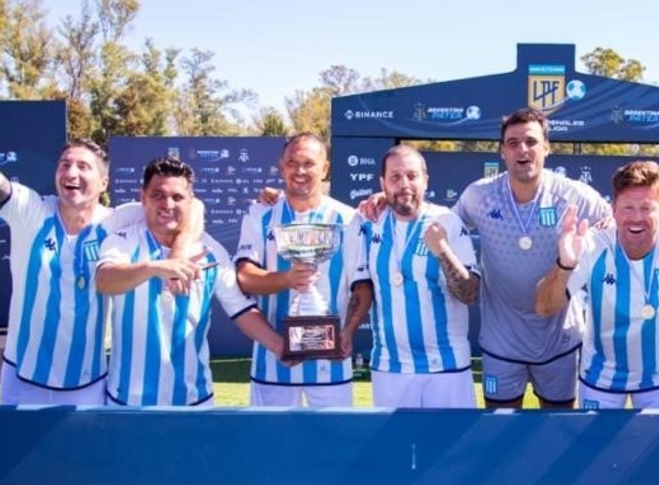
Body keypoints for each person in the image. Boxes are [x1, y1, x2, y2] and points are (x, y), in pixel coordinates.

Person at [0, 80, 201, 405]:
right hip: (22, 379)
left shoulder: (118, 220)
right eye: (65, 164)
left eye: (84, 166)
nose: (72, 172)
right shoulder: (31, 211)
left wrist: (177, 257)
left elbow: (192, 206)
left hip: (89, 386)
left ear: (104, 182)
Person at [359, 108, 613, 408]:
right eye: (513, 142)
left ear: (546, 147)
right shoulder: (479, 195)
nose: (523, 150)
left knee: (558, 432)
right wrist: (386, 198)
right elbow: (439, 222)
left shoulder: (574, 194)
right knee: (496, 437)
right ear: (502, 151)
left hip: (559, 338)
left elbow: (615, 218)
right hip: (500, 341)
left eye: (531, 142)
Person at [95, 156, 284, 406]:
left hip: (194, 401)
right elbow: (105, 280)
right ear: (143, 197)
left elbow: (241, 309)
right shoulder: (123, 241)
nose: (168, 204)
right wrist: (155, 267)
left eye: (177, 197)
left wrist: (282, 347)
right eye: (158, 195)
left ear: (191, 202)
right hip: (127, 401)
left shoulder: (211, 251)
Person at [534, 161, 659, 409]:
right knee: (596, 449)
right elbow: (544, 307)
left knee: (658, 449)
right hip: (600, 378)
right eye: (628, 207)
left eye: (647, 208)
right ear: (613, 210)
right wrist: (564, 264)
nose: (636, 218)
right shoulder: (591, 245)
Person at [234, 133, 371, 407]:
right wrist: (285, 279)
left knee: (335, 449)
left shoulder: (348, 219)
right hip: (272, 364)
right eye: (292, 162)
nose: (300, 171)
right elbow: (244, 277)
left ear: (325, 168)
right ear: (281, 166)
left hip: (331, 362)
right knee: (272, 449)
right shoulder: (260, 215)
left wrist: (348, 331)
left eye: (309, 163)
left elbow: (362, 286)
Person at [353, 145, 480, 408]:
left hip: (446, 366)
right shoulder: (366, 222)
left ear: (426, 180)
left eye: (412, 176)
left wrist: (442, 250)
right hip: (390, 367)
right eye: (395, 177)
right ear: (382, 183)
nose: (404, 184)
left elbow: (469, 294)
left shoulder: (448, 221)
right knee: (394, 450)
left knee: (451, 450)